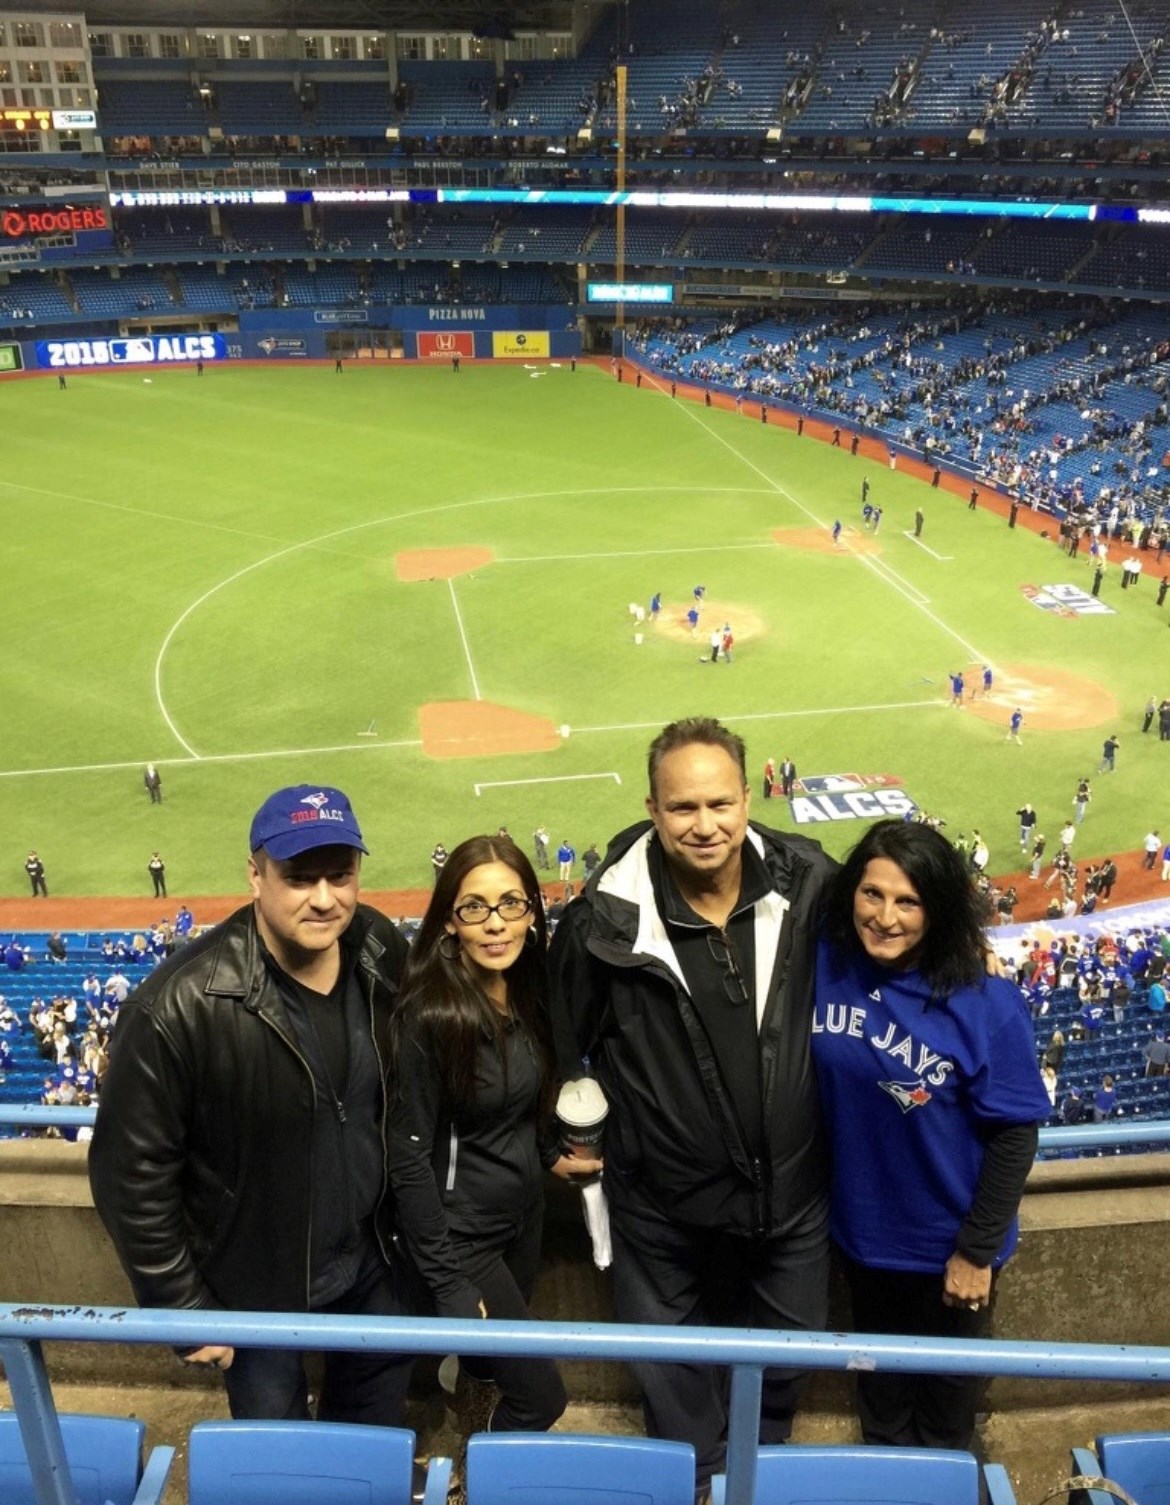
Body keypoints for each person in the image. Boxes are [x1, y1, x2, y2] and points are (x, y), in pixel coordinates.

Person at [549, 718, 837, 1491]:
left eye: (719, 802)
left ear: (748, 797)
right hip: (661, 1203)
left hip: (794, 1191)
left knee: (790, 1352)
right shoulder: (600, 918)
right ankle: (699, 1477)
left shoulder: (810, 881)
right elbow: (563, 1041)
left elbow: (891, 953)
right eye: (683, 808)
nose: (704, 824)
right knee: (669, 1368)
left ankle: (758, 1466)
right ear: (652, 807)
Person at [88, 784, 415, 1428]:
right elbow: (132, 1177)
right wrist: (179, 1305)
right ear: (254, 874)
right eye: (298, 877)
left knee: (371, 1435)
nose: (325, 898)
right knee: (278, 1460)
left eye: (340, 875)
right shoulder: (176, 1007)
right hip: (252, 1287)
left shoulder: (378, 946)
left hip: (377, 1263)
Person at [812, 820, 1048, 1450]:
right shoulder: (826, 963)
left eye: (908, 901)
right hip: (862, 1245)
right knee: (881, 1415)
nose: (885, 917)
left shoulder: (987, 1003)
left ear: (937, 909)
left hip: (948, 1255)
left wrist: (976, 1252)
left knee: (946, 1424)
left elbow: (1014, 1136)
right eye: (872, 894)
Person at [388, 835, 597, 1437]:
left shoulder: (526, 988)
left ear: (532, 911)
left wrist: (546, 1153)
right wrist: (448, 1280)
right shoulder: (431, 1015)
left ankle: (466, 1442)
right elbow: (409, 1161)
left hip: (521, 1218)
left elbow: (525, 1096)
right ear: (449, 922)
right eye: (474, 908)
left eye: (511, 904)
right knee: (541, 1398)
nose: (496, 923)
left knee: (486, 1367)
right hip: (463, 1237)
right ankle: (479, 1482)